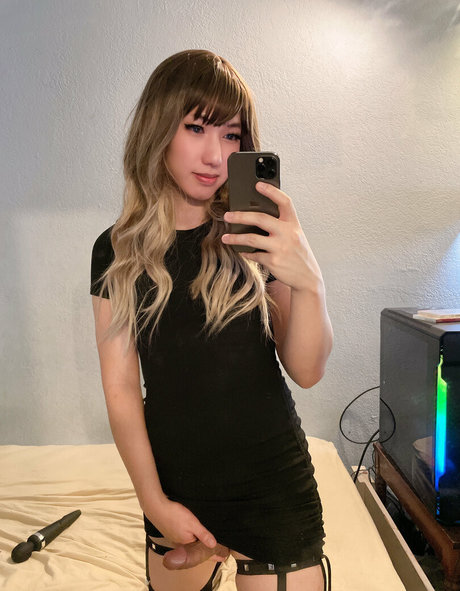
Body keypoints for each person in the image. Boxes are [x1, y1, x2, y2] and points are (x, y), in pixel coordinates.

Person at [91, 49, 333, 591]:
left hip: (272, 487)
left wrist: (309, 280)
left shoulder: (255, 233)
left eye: (231, 135)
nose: (215, 155)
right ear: (159, 129)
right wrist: (154, 502)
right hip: (177, 488)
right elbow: (121, 388)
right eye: (196, 128)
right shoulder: (117, 249)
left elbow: (306, 370)